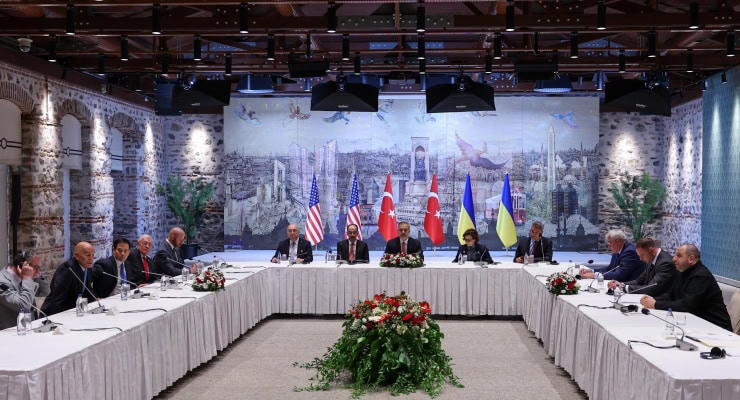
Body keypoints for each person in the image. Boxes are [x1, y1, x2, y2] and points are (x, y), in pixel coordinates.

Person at [640, 244, 732, 331]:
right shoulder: (682, 271)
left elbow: (686, 305)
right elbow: (670, 295)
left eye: (679, 256)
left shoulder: (701, 276)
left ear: (691, 259)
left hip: (715, 327)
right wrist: (651, 300)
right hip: (695, 324)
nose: (674, 259)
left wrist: (656, 304)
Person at [40, 242, 97, 316]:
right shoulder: (68, 269)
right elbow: (58, 296)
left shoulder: (87, 267)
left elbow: (87, 290)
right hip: (56, 312)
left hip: (76, 310)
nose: (91, 258)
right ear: (76, 256)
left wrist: (96, 302)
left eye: (93, 255)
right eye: (88, 255)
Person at [607, 237, 676, 296]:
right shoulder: (651, 258)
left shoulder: (665, 263)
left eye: (642, 255)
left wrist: (623, 288)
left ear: (651, 250)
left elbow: (651, 288)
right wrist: (621, 284)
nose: (641, 259)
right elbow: (639, 281)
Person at [579, 229, 645, 281]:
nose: (608, 245)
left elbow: (618, 275)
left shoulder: (629, 252)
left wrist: (595, 275)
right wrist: (592, 271)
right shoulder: (618, 250)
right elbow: (610, 269)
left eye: (610, 242)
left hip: (629, 286)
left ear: (618, 241)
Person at [0, 254, 41, 329]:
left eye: (39, 267)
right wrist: (27, 278)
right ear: (22, 266)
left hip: (28, 328)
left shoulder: (24, 278)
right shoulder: (2, 282)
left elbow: (46, 292)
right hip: (10, 332)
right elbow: (23, 305)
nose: (38, 271)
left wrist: (33, 278)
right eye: (36, 267)